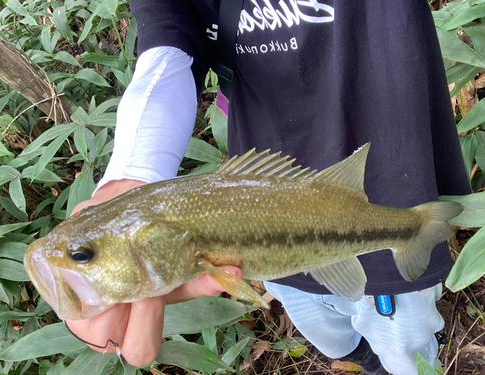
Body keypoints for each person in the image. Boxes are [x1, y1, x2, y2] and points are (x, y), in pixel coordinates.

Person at [65, 1, 470, 374]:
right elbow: (171, 27)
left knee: (404, 348)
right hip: (266, 240)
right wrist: (134, 173)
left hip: (391, 182)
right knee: (324, 330)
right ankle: (364, 362)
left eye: (84, 254)